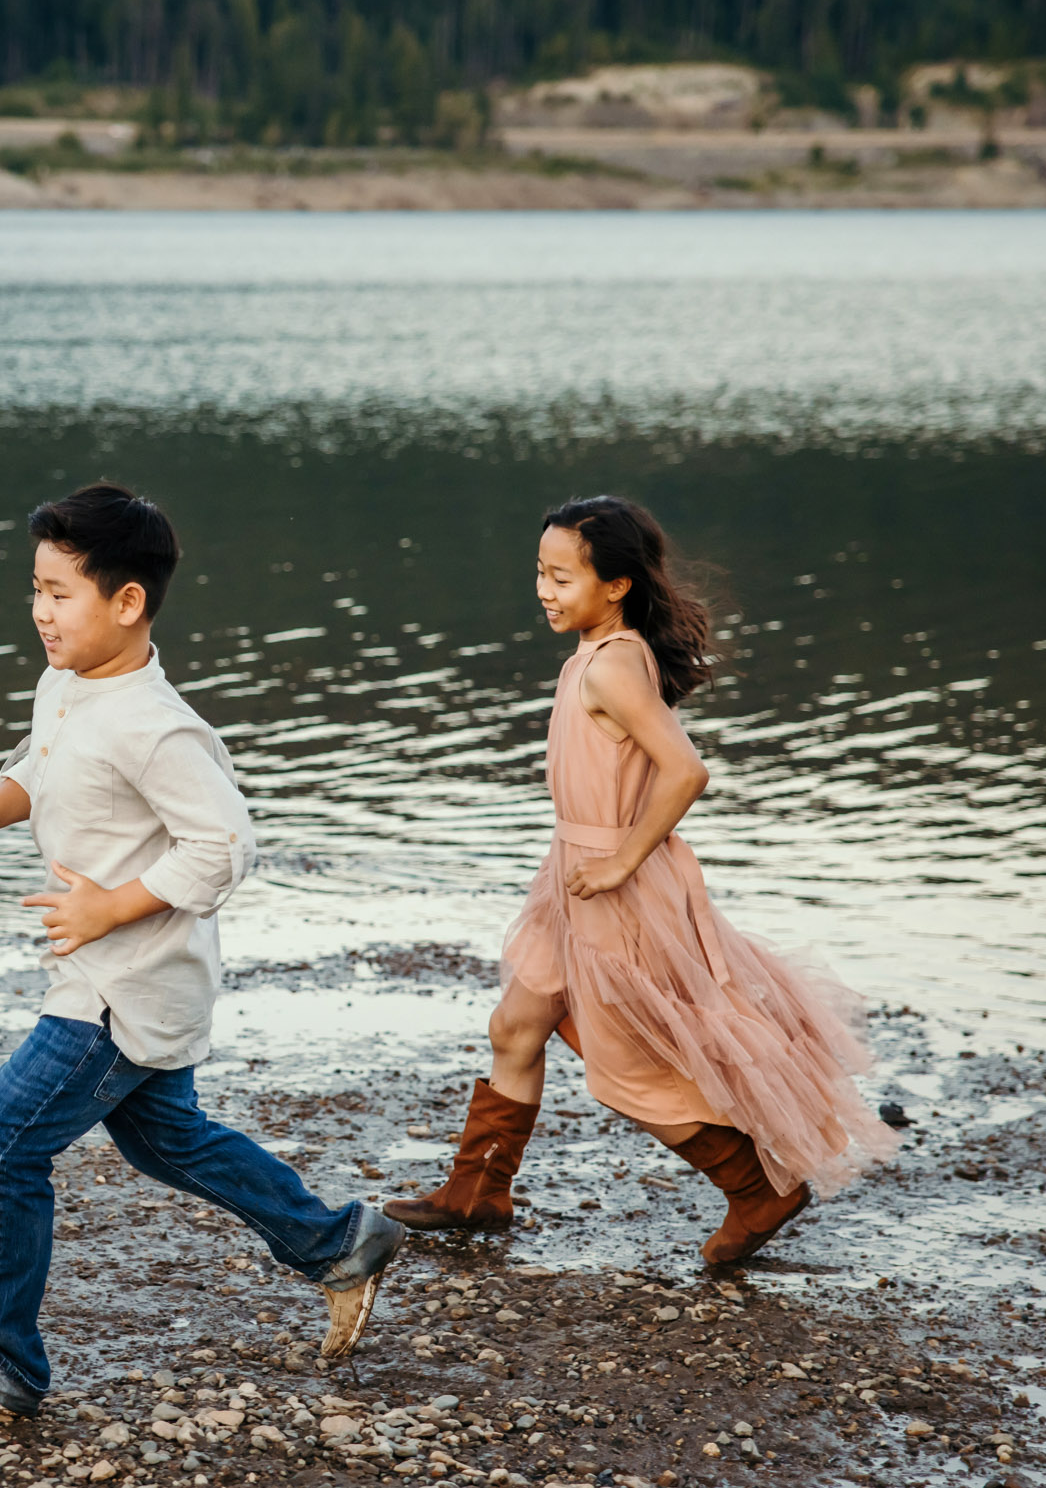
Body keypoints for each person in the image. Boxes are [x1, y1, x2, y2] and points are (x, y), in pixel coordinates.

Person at [0, 482, 404, 1415]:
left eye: (60, 593)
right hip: (119, 976)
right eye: (34, 589)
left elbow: (227, 843)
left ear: (128, 602)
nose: (40, 611)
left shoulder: (158, 726)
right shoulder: (69, 685)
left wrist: (112, 906)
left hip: (122, 985)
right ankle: (338, 1243)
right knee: (168, 1141)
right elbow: (41, 761)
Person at [385, 496, 899, 1262]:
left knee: (628, 1068)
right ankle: (477, 1192)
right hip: (572, 875)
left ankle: (758, 1188)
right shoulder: (591, 657)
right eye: (540, 572)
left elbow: (686, 770)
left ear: (617, 585)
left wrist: (623, 859)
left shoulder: (617, 664)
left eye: (562, 577)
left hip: (616, 887)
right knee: (517, 1025)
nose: (544, 590)